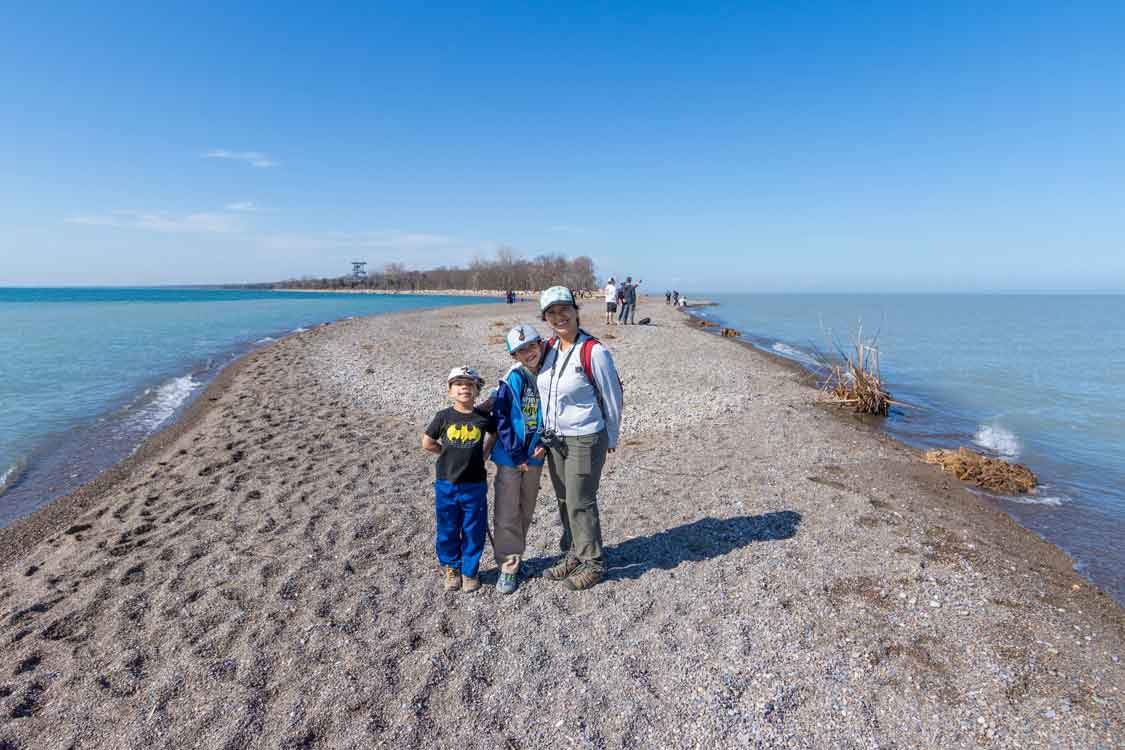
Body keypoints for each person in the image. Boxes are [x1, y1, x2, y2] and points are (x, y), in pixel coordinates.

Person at [536, 286, 624, 590]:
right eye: (551, 313)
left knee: (580, 500)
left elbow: (613, 396)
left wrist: (612, 435)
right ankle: (574, 552)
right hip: (555, 440)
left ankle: (594, 563)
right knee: (563, 499)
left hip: (586, 437)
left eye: (564, 310)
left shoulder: (594, 351)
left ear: (576, 310)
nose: (559, 317)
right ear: (546, 318)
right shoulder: (547, 348)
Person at [421, 366, 497, 593]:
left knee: (474, 528)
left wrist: (485, 453)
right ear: (450, 391)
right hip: (447, 483)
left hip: (475, 484)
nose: (464, 387)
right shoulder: (443, 417)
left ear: (476, 391)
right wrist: (444, 452)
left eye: (469, 384)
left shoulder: (483, 417)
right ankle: (452, 568)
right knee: (448, 527)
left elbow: (494, 434)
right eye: (458, 384)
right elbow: (427, 442)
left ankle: (470, 570)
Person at [490, 324, 548, 594]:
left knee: (526, 509)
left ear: (541, 344)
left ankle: (517, 555)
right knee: (506, 511)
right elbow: (501, 418)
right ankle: (508, 566)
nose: (529, 352)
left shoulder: (550, 374)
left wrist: (545, 444)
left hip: (536, 456)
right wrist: (517, 453)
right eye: (521, 350)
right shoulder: (513, 378)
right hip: (511, 456)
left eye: (532, 346)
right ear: (514, 355)